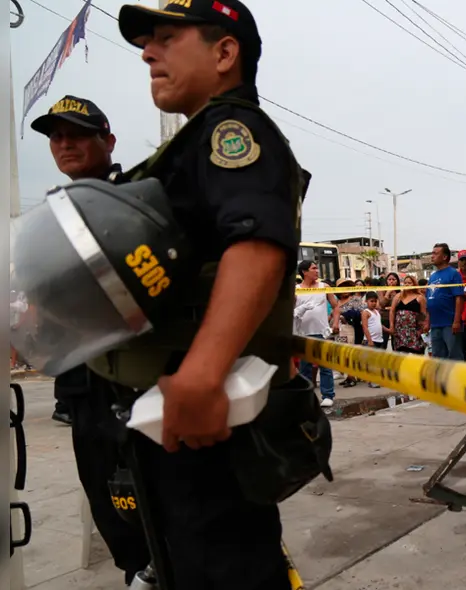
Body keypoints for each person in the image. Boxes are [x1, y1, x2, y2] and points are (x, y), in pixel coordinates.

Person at [104, 2, 330, 586]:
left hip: (207, 416)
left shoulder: (233, 131)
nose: (148, 52)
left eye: (166, 38)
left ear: (225, 53)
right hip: (179, 412)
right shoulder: (193, 143)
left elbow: (256, 247)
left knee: (225, 570)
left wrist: (203, 374)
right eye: (147, 41)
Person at [28, 95, 151, 585]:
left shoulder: (139, 197)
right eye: (56, 137)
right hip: (82, 383)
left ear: (108, 140)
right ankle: (134, 572)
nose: (64, 144)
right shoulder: (55, 210)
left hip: (135, 379)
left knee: (151, 497)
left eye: (76, 134)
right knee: (106, 496)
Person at [294, 260, 337, 407]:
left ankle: (328, 395)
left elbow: (336, 306)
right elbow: (290, 311)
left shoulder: (324, 287)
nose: (317, 271)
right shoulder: (296, 289)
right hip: (303, 333)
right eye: (313, 268)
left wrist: (335, 322)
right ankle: (308, 397)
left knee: (325, 365)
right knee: (304, 367)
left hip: (322, 332)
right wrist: (300, 310)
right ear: (304, 272)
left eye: (317, 268)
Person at [426, 243, 465, 360]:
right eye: (432, 253)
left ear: (444, 257)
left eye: (435, 253)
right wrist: (428, 320)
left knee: (454, 356)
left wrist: (456, 321)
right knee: (438, 357)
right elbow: (429, 298)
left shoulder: (453, 274)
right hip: (435, 324)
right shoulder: (433, 276)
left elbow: (459, 297)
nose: (432, 256)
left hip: (449, 323)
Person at [389, 275, 427, 355]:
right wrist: (392, 326)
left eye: (409, 283)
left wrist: (421, 329)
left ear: (414, 284)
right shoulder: (398, 296)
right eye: (405, 283)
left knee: (416, 353)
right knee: (401, 354)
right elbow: (392, 311)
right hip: (399, 330)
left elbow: (423, 314)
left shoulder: (420, 297)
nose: (407, 284)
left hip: (414, 330)